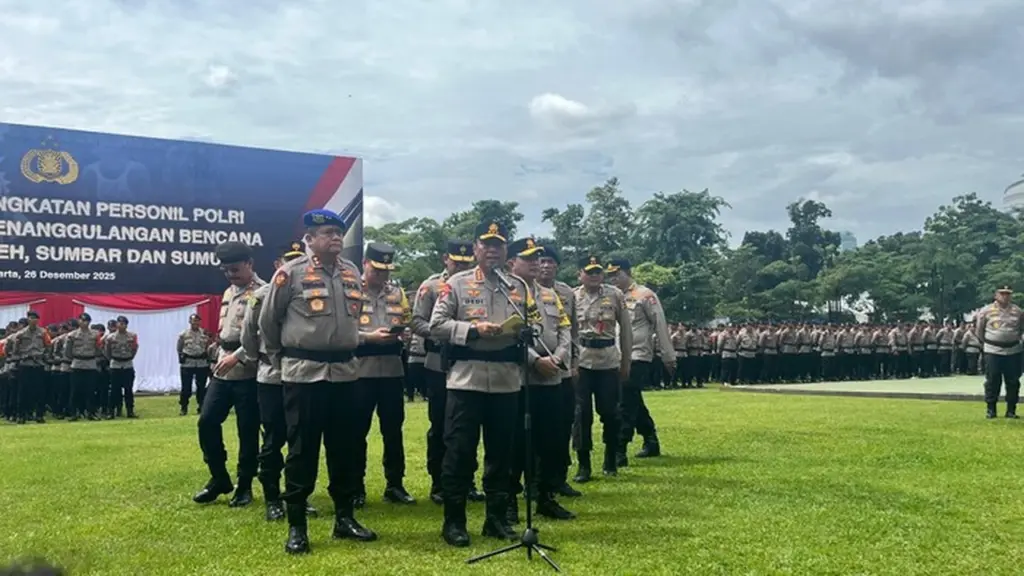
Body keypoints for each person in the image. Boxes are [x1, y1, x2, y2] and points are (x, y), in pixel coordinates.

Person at [259, 209, 380, 554]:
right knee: (302, 450)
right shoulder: (290, 273)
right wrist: (281, 361)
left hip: (345, 373)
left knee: (345, 448)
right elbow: (268, 322)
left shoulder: (351, 271)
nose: (336, 238)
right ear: (310, 239)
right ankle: (297, 526)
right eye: (327, 232)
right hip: (304, 374)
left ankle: (344, 518)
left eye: (338, 232)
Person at [429, 219, 530, 547]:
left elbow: (532, 323)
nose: (492, 250)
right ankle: (454, 522)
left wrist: (526, 332)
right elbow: (437, 325)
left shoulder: (517, 286)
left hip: (506, 380)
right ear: (475, 249)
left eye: (498, 245)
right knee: (459, 452)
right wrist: (473, 330)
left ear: (506, 250)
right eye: (486, 244)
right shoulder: (456, 284)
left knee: (502, 453)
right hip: (466, 380)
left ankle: (496, 519)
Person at [240, 241, 319, 522]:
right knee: (273, 439)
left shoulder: (311, 291)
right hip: (272, 376)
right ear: (278, 264)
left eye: (298, 259)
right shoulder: (260, 296)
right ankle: (272, 498)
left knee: (303, 439)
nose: (293, 265)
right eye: (288, 260)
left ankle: (299, 496)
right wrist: (266, 360)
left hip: (303, 374)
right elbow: (248, 335)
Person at [505, 238, 575, 524]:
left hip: (551, 378)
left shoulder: (549, 294)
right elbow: (509, 333)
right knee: (515, 443)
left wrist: (558, 357)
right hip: (520, 380)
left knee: (551, 440)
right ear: (512, 262)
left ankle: (546, 496)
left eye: (538, 258)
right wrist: (536, 360)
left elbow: (565, 330)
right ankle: (509, 500)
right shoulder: (505, 292)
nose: (536, 263)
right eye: (529, 258)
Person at [409, 239, 482, 505]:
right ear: (445, 259)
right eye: (456, 262)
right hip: (438, 363)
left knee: (468, 425)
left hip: (468, 363)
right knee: (440, 424)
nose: (460, 267)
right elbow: (416, 321)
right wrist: (445, 333)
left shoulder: (477, 285)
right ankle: (439, 482)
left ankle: (467, 481)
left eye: (465, 262)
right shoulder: (430, 287)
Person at [192, 241, 264, 508]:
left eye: (235, 269)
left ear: (249, 264)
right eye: (225, 271)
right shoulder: (228, 292)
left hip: (248, 370)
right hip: (223, 369)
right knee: (207, 421)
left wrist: (238, 356)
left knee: (248, 431)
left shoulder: (263, 292)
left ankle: (244, 486)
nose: (230, 275)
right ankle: (219, 477)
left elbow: (263, 335)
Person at [353, 242, 416, 506]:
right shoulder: (351, 291)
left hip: (392, 370)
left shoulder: (397, 293)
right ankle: (355, 487)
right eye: (377, 269)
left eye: (386, 270)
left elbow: (408, 321)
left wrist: (406, 334)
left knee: (393, 431)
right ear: (365, 264)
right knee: (356, 432)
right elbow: (341, 331)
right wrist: (369, 337)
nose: (382, 275)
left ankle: (395, 484)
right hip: (360, 371)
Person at [605, 258, 673, 465]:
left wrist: (668, 356)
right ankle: (650, 439)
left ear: (628, 272)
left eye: (617, 274)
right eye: (611, 275)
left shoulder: (645, 295)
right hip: (616, 355)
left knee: (625, 402)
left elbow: (660, 324)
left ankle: (620, 447)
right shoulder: (611, 296)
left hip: (638, 355)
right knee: (633, 399)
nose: (614, 279)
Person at [572, 255, 632, 482]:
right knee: (581, 414)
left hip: (608, 360)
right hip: (582, 361)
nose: (595, 275)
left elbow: (626, 331)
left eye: (598, 271)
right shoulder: (572, 296)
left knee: (610, 412)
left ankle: (610, 458)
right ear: (580, 274)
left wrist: (626, 362)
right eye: (589, 272)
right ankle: (583, 464)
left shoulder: (615, 295)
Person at [537, 244, 583, 499]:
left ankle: (559, 477)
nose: (545, 266)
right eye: (541, 261)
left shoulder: (566, 292)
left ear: (557, 266)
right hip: (535, 367)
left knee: (563, 423)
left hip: (563, 368)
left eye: (550, 262)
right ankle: (534, 480)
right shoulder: (523, 290)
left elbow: (572, 330)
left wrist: (574, 362)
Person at [975, 286, 1024, 419]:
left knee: (1013, 381)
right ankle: (991, 409)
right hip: (993, 350)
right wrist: (986, 343)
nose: (1005, 296)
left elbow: (1021, 329)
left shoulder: (1018, 311)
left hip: (1013, 350)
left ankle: (1011, 410)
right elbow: (979, 330)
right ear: (996, 295)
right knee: (992, 380)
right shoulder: (986, 311)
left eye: (1008, 294)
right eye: (1002, 294)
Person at [9, 311, 52, 424]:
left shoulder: (43, 332)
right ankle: (21, 415)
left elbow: (48, 346)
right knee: (23, 391)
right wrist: (18, 357)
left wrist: (45, 357)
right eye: (31, 318)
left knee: (40, 391)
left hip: (38, 363)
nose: (33, 320)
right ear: (28, 319)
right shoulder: (21, 333)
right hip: (25, 363)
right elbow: (14, 348)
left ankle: (39, 415)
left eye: (35, 318)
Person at [65, 313, 101, 422]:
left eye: (86, 321)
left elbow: (98, 349)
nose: (84, 323)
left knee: (91, 391)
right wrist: (75, 357)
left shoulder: (95, 334)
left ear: (89, 322)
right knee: (75, 391)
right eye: (82, 320)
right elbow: (68, 352)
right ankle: (74, 413)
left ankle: (91, 413)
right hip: (77, 363)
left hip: (90, 364)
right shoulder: (72, 335)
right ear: (78, 321)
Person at [104, 316, 139, 419]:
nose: (121, 325)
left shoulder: (132, 336)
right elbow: (107, 351)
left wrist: (130, 357)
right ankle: (111, 412)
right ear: (117, 324)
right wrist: (112, 359)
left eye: (123, 323)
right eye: (119, 323)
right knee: (114, 390)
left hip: (127, 364)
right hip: (115, 364)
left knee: (128, 390)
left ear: (126, 325)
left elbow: (134, 348)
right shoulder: (111, 337)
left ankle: (130, 411)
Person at [177, 314, 211, 416]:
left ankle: (201, 406)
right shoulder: (183, 334)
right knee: (186, 388)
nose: (195, 323)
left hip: (201, 363)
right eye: (193, 321)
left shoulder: (205, 334)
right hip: (188, 363)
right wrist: (181, 358)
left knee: (201, 387)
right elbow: (179, 348)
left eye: (197, 321)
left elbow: (208, 347)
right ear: (190, 322)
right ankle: (184, 407)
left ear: (200, 322)